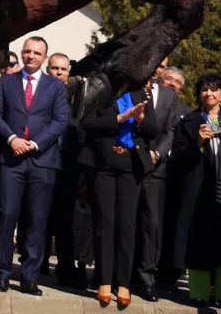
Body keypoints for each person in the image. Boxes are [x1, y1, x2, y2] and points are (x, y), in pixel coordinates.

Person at [0, 36, 68, 295]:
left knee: (37, 219)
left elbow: (61, 119)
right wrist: (12, 138)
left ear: (44, 56)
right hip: (11, 158)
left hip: (42, 160)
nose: (31, 56)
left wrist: (35, 144)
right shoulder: (6, 82)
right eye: (27, 51)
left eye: (36, 53)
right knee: (6, 214)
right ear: (22, 54)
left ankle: (30, 277)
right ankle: (2, 273)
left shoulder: (55, 87)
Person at [79, 86, 156, 307]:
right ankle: (103, 280)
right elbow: (86, 122)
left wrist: (140, 119)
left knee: (127, 225)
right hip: (103, 163)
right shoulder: (101, 91)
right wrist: (119, 118)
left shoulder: (141, 95)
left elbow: (154, 130)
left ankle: (123, 283)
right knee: (105, 222)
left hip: (131, 166)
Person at [169, 74, 221, 307]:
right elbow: (177, 157)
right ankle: (199, 293)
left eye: (214, 90)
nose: (209, 94)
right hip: (196, 188)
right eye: (205, 90)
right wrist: (197, 143)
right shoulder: (190, 120)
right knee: (197, 241)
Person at [134, 64, 191, 302]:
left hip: (159, 171)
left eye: (178, 83)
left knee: (152, 226)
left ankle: (146, 278)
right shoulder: (142, 94)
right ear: (159, 77)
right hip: (131, 164)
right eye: (169, 79)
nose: (172, 84)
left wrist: (156, 153)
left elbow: (172, 134)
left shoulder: (185, 111)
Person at [44, 52, 90, 289]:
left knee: (65, 220)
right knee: (39, 216)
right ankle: (37, 263)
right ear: (47, 69)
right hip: (43, 162)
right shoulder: (40, 92)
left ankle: (65, 267)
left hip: (68, 166)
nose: (59, 73)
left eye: (63, 69)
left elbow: (81, 129)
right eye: (54, 68)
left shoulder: (78, 95)